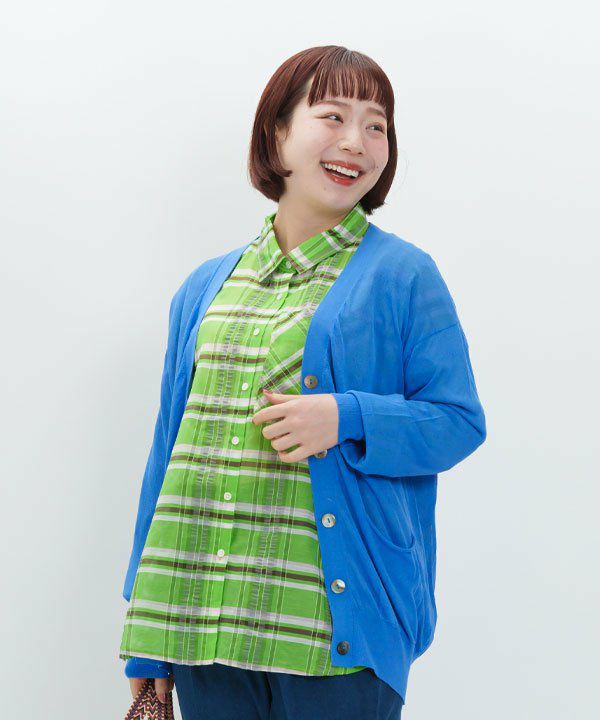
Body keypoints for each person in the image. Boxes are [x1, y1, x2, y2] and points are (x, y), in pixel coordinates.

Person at [119, 45, 487, 719]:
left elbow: (458, 421)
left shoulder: (403, 276)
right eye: (334, 116)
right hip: (202, 628)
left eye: (376, 125)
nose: (357, 142)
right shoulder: (206, 286)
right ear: (277, 133)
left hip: (331, 640)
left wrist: (346, 418)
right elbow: (168, 459)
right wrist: (147, 641)